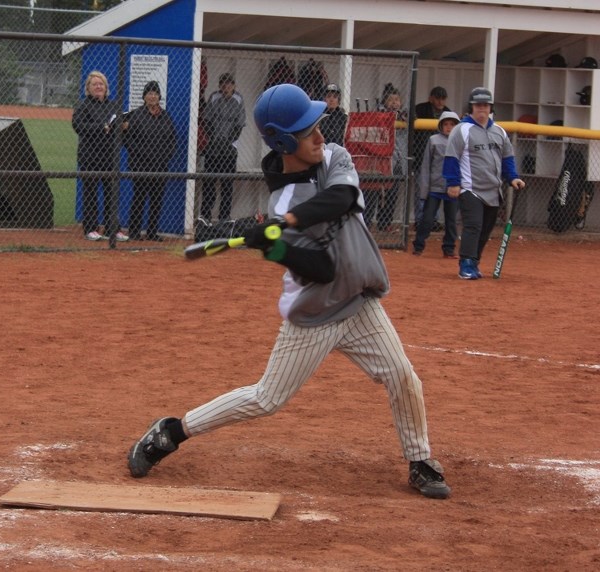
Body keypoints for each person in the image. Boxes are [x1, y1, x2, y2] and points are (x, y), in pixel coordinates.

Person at [127, 83, 452, 500]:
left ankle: (420, 459)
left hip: (359, 301)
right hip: (315, 311)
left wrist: (287, 225)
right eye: (307, 131)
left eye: (317, 125)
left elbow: (342, 198)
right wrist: (275, 246)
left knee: (403, 375)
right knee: (266, 399)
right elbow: (320, 268)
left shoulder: (334, 156)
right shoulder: (283, 201)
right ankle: (171, 431)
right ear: (283, 141)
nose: (319, 135)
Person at [443, 87, 526, 279]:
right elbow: (451, 158)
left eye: (486, 105)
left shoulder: (499, 132)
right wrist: (453, 183)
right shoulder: (461, 130)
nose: (482, 108)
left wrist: (512, 177)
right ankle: (466, 263)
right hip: (470, 188)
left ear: (491, 108)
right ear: (471, 107)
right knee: (473, 225)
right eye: (478, 105)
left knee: (487, 228)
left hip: (493, 189)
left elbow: (507, 158)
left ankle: (475, 261)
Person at [72, 70, 129, 242]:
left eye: (101, 84)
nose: (98, 86)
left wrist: (122, 126)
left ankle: (113, 229)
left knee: (111, 194)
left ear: (106, 87)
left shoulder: (113, 105)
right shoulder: (84, 106)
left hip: (109, 156)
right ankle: (91, 228)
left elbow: (116, 128)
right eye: (95, 84)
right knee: (90, 194)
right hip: (90, 157)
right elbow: (78, 126)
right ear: (88, 88)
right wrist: (100, 127)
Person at [122, 81, 177, 241]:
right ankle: (134, 232)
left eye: (155, 93)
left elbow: (172, 140)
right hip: (140, 165)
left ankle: (152, 232)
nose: (152, 96)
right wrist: (142, 154)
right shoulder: (136, 115)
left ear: (159, 96)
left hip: (160, 166)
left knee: (156, 200)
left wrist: (165, 156)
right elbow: (127, 140)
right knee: (139, 198)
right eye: (149, 93)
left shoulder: (165, 116)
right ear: (144, 97)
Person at [412, 111, 461, 257]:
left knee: (451, 220)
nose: (448, 127)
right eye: (445, 124)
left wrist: (460, 185)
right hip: (434, 187)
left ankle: (449, 249)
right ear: (440, 125)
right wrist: (424, 190)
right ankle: (419, 246)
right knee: (427, 218)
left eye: (452, 124)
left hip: (452, 187)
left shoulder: (461, 142)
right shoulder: (433, 140)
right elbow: (426, 165)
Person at [200, 73, 246, 222]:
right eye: (223, 84)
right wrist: (213, 139)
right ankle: (205, 216)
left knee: (227, 185)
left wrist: (227, 142)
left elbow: (239, 125)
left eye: (229, 84)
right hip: (213, 147)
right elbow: (206, 121)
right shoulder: (214, 97)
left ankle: (224, 218)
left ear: (234, 86)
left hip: (229, 148)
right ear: (219, 86)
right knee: (209, 184)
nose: (226, 87)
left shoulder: (238, 99)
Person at [364, 83, 408, 232]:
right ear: (385, 101)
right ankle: (367, 222)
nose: (395, 103)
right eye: (391, 100)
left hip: (396, 159)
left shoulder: (403, 115)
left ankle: (385, 223)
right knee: (373, 191)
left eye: (397, 100)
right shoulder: (378, 112)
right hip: (379, 159)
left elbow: (410, 117)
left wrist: (401, 114)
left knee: (392, 192)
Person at [413, 86, 452, 226]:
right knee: (421, 189)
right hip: (421, 155)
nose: (440, 101)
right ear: (431, 98)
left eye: (443, 98)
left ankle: (433, 221)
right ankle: (420, 220)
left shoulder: (448, 113)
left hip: (441, 159)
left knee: (438, 191)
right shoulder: (421, 109)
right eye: (437, 98)